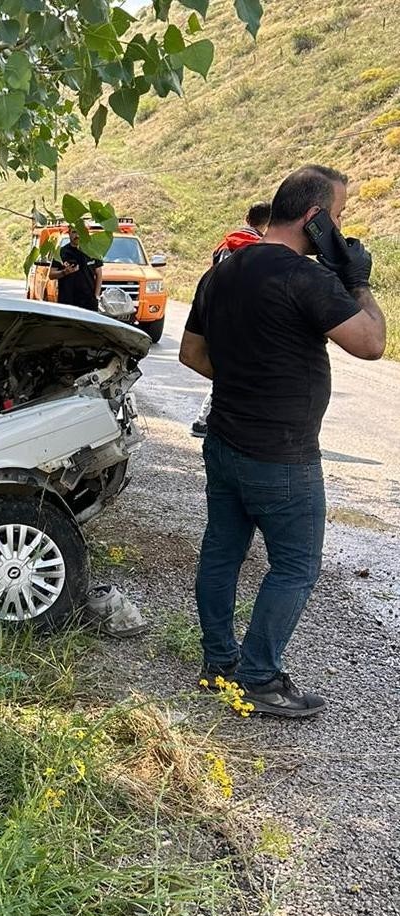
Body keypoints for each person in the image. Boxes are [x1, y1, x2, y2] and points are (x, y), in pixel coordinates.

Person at [179, 165, 386, 718]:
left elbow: (191, 355)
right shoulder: (307, 278)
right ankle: (259, 677)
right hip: (283, 458)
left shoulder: (220, 272)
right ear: (316, 220)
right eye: (338, 219)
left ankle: (219, 663)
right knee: (295, 567)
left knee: (222, 551)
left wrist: (245, 378)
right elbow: (371, 344)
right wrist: (357, 279)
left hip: (223, 442)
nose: (342, 231)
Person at [191, 201, 273, 437]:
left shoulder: (225, 243)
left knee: (225, 365)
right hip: (240, 315)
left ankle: (207, 419)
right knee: (236, 368)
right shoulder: (258, 246)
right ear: (267, 224)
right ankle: (205, 420)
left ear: (248, 219)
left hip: (215, 311)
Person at [49, 227, 104, 311]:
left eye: (80, 232)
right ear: (69, 233)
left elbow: (99, 274)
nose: (77, 235)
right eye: (74, 232)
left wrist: (96, 295)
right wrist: (64, 272)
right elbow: (51, 275)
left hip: (88, 301)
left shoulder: (93, 250)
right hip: (67, 301)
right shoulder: (61, 252)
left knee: (87, 324)